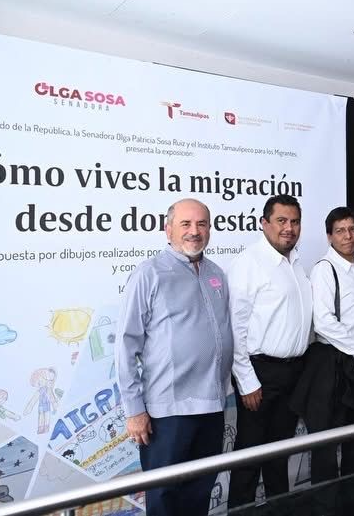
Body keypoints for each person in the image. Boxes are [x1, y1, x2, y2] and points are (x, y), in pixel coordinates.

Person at [117, 198, 233, 516]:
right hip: (167, 413)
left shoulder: (216, 273)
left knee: (200, 493)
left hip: (212, 407)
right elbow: (126, 344)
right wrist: (134, 410)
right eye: (186, 224)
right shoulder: (149, 273)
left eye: (202, 224)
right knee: (165, 499)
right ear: (168, 230)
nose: (195, 231)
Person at [289, 207, 354, 516]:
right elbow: (324, 321)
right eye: (340, 231)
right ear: (329, 236)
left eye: (352, 229)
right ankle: (326, 507)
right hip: (333, 362)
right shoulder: (325, 269)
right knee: (327, 442)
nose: (348, 236)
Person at [228, 194, 313, 509]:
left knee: (279, 453)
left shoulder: (295, 262)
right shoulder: (248, 263)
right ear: (264, 224)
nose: (289, 228)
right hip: (260, 374)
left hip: (292, 372)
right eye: (281, 221)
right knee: (249, 457)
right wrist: (247, 381)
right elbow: (234, 328)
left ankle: (279, 510)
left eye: (295, 222)